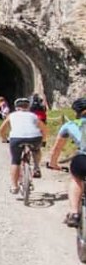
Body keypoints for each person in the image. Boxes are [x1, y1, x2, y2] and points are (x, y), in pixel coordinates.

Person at [47, 97, 86, 227]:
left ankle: (74, 213)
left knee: (76, 179)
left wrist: (53, 163)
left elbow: (57, 148)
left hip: (83, 159)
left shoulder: (70, 125)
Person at [0, 96, 47, 193]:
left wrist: (4, 138)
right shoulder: (33, 116)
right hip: (35, 137)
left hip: (16, 138)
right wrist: (44, 140)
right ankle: (37, 167)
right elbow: (44, 129)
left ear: (16, 107)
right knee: (36, 150)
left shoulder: (11, 115)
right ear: (28, 107)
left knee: (15, 161)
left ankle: (14, 186)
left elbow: (2, 129)